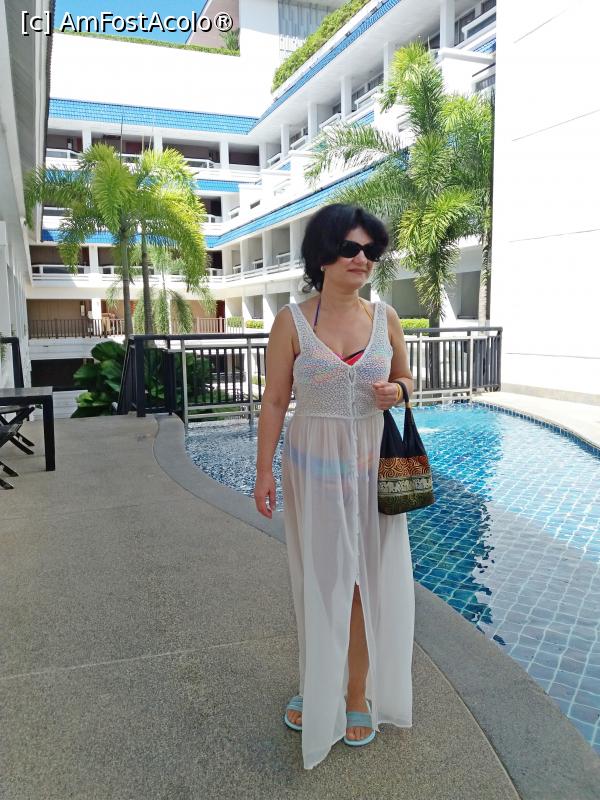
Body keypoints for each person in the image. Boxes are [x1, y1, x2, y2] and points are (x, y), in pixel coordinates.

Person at [253, 203, 415, 770]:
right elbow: (276, 399)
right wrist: (264, 470)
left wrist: (399, 391)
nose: (362, 259)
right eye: (350, 249)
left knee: (364, 584)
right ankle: (316, 684)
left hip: (372, 468)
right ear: (323, 255)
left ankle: (354, 693)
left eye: (371, 250)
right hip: (314, 470)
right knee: (320, 582)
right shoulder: (291, 322)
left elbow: (406, 378)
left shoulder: (385, 318)